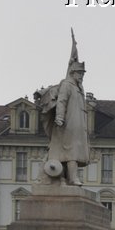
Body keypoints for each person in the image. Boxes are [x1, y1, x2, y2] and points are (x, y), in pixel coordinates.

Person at [34, 44, 89, 185]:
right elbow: (61, 101)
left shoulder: (78, 88)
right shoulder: (67, 85)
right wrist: (59, 117)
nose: (81, 76)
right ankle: (73, 178)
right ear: (73, 72)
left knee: (74, 150)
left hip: (77, 125)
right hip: (67, 124)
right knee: (71, 151)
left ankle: (70, 177)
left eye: (82, 74)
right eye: (80, 73)